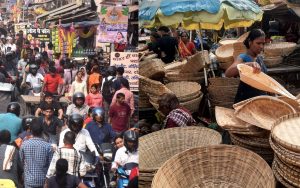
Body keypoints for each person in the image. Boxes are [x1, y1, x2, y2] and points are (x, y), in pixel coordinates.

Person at [225, 29, 267, 103]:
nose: (261, 46)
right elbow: (228, 73)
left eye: (263, 44)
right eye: (258, 43)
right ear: (250, 42)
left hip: (260, 101)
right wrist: (247, 65)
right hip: (246, 102)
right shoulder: (243, 57)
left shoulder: (259, 58)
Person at [85, 107, 116, 187]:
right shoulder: (89, 126)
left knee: (107, 171)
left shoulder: (108, 126)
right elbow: (86, 137)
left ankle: (107, 185)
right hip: (94, 151)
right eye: (97, 115)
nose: (100, 117)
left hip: (106, 150)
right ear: (94, 116)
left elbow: (113, 136)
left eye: (101, 115)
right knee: (95, 172)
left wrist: (113, 143)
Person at [20, 119, 53, 188]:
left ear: (31, 131)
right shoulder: (48, 146)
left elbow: (21, 161)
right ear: (42, 132)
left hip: (28, 180)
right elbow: (51, 165)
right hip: (43, 181)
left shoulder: (24, 144)